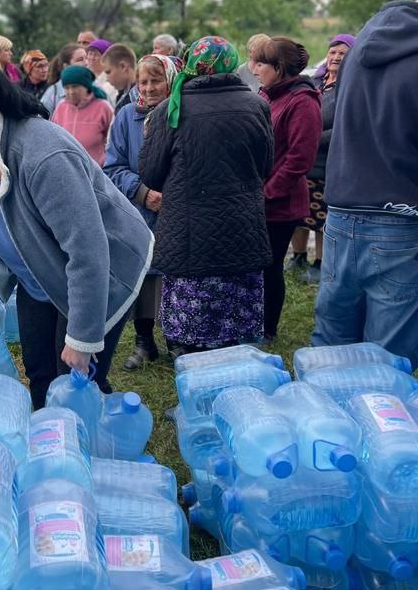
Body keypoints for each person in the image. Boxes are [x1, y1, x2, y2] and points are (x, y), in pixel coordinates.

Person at [0, 58, 153, 406]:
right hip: (40, 274)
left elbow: (88, 251)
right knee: (40, 371)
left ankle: (94, 446)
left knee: (74, 381)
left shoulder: (42, 154)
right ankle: (50, 437)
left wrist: (82, 338)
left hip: (99, 271)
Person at [139, 37, 274, 356]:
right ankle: (236, 383)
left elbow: (150, 175)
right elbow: (265, 164)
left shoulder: (171, 109)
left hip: (189, 237)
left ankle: (196, 386)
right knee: (235, 325)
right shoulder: (257, 105)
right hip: (242, 230)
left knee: (194, 332)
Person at [312, 1, 418, 369]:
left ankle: (326, 419)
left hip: (342, 211)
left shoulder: (355, 58)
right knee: (386, 358)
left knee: (332, 340)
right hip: (397, 218)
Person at [104, 54, 179, 367]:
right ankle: (144, 341)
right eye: (142, 82)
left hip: (176, 210)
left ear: (171, 82)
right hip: (140, 210)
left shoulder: (180, 113)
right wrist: (142, 192)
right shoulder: (126, 117)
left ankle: (178, 339)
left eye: (156, 81)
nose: (148, 88)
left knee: (176, 276)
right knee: (144, 274)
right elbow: (113, 165)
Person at [249, 36, 322, 342]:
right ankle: (252, 322)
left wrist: (266, 193)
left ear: (278, 68)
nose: (253, 69)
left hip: (280, 203)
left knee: (270, 266)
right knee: (256, 265)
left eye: (260, 63)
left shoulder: (302, 101)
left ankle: (267, 330)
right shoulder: (269, 96)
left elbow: (298, 160)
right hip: (259, 199)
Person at [287, 35, 354, 282]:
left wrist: (310, 136)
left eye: (342, 54)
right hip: (303, 160)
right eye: (333, 52)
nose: (336, 57)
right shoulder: (315, 81)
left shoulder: (352, 86)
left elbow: (345, 126)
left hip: (329, 162)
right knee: (299, 215)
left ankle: (320, 262)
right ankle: (299, 256)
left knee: (322, 217)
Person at [51, 65, 114, 167]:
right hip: (67, 171)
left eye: (75, 86)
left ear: (86, 86)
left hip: (97, 172)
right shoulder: (61, 107)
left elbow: (114, 141)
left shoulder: (103, 107)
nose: (71, 92)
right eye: (67, 87)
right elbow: (53, 138)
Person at [41, 43, 88, 116]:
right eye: (80, 60)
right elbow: (43, 123)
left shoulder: (97, 88)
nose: (86, 63)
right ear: (66, 66)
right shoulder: (52, 94)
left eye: (86, 58)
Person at [101, 44, 138, 113]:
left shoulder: (140, 97)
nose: (107, 79)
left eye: (108, 72)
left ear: (123, 66)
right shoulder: (122, 94)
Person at [85, 38, 117, 106]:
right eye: (90, 54)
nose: (92, 57)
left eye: (96, 55)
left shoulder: (112, 77)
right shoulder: (84, 74)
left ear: (106, 58)